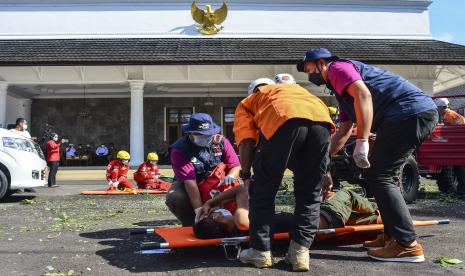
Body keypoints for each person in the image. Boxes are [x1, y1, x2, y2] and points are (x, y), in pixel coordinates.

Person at [297, 48, 438, 263]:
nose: (309, 74)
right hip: (407, 115)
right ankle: (392, 236)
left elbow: (364, 95)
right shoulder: (340, 92)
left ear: (321, 63)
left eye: (308, 68)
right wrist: (322, 161)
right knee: (378, 175)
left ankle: (407, 244)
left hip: (409, 112)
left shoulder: (338, 67)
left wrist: (362, 141)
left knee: (380, 175)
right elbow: (343, 132)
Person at [233, 76, 335, 271]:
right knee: (310, 194)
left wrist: (246, 176)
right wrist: (325, 171)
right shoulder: (299, 92)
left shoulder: (249, 102)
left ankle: (260, 252)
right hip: (322, 121)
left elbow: (246, 141)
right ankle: (299, 255)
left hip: (283, 121)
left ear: (253, 91)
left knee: (263, 192)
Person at [194, 186, 381, 239]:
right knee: (347, 193)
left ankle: (382, 217)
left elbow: (237, 195)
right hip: (323, 218)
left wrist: (216, 204)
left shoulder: (236, 230)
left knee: (368, 219)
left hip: (320, 220)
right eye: (213, 214)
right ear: (216, 218)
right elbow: (241, 190)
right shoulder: (241, 221)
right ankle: (379, 208)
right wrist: (211, 202)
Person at [165, 113, 241, 227]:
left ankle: (235, 219)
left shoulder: (221, 142)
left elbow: (235, 165)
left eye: (208, 135)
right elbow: (190, 182)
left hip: (218, 181)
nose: (205, 138)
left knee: (243, 190)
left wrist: (231, 176)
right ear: (190, 133)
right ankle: (194, 223)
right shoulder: (180, 149)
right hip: (192, 184)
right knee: (175, 196)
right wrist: (199, 210)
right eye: (200, 135)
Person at [434, 98, 465, 198]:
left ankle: (462, 192)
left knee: (459, 168)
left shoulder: (449, 116)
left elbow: (457, 130)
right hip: (457, 145)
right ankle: (460, 191)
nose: (437, 110)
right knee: (458, 168)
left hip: (458, 145)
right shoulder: (448, 114)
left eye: (438, 108)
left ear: (442, 107)